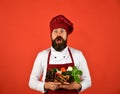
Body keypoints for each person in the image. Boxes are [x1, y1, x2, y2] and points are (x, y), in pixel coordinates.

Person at [29, 15, 92, 94]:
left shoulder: (78, 54)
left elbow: (88, 81)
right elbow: (32, 82)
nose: (59, 34)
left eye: (62, 31)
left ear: (67, 35)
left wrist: (77, 86)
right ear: (51, 35)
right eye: (55, 31)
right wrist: (46, 85)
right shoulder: (42, 55)